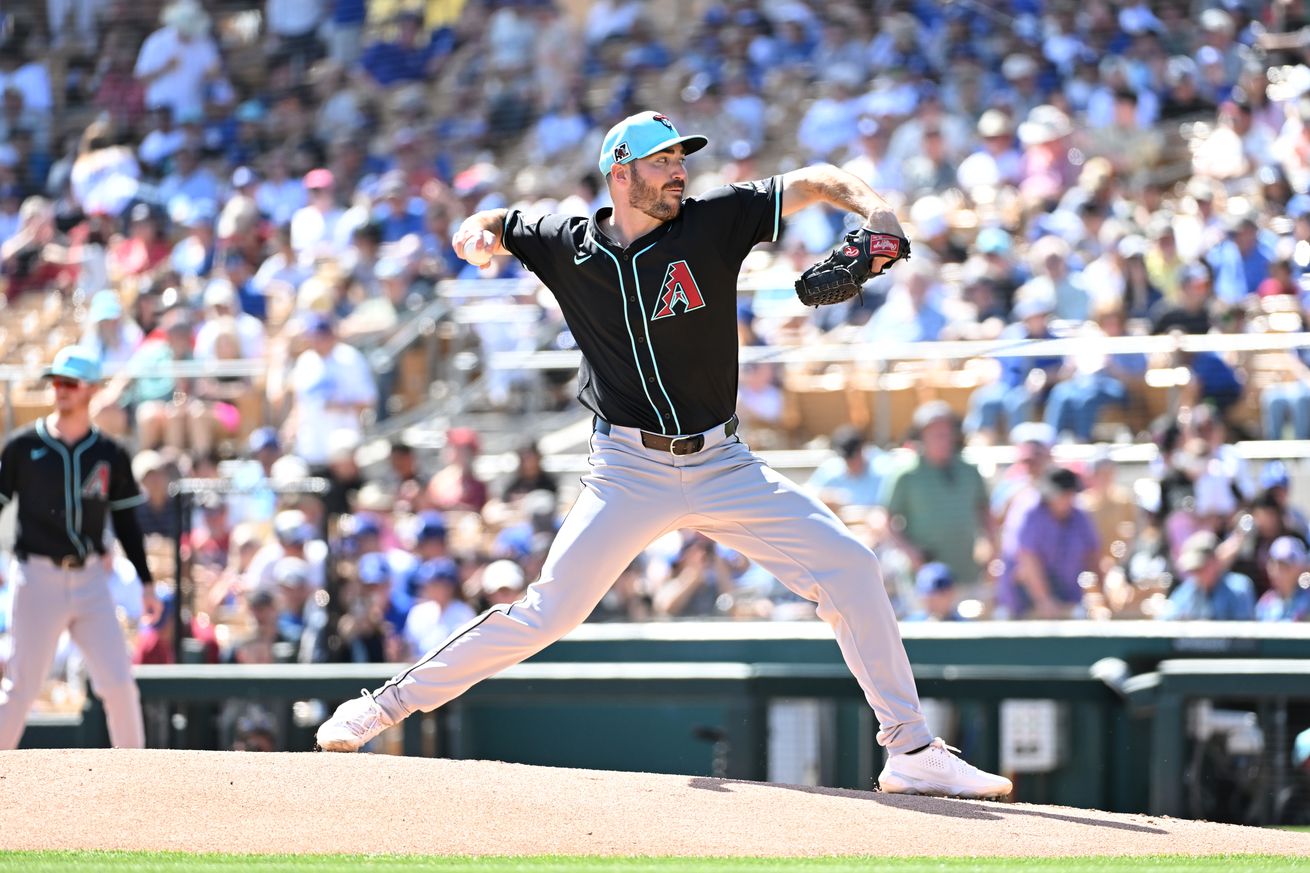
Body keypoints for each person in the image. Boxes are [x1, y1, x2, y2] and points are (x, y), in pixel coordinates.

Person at [316, 110, 1011, 799]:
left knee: (853, 568)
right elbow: (503, 224)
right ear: (620, 174)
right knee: (547, 612)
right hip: (628, 468)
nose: (679, 170)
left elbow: (818, 178)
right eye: (662, 161)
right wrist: (479, 228)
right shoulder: (568, 244)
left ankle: (911, 748)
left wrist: (879, 213)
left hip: (723, 463)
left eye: (682, 158)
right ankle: (384, 704)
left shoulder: (714, 222)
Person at [0, 346, 159, 750]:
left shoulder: (110, 453)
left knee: (120, 684)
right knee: (21, 687)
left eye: (70, 383)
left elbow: (125, 522)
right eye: (56, 382)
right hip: (38, 577)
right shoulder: (22, 447)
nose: (61, 390)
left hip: (90, 579)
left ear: (91, 389)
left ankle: (139, 780)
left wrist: (145, 580)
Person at [997, 466, 1101, 619]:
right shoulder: (1028, 512)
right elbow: (1027, 560)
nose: (1069, 498)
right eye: (1064, 494)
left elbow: (1093, 555)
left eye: (1070, 494)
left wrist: (1102, 594)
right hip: (1025, 601)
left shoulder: (1079, 514)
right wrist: (1044, 600)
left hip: (1067, 595)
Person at [1162, 530, 1256, 621]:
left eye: (1201, 568)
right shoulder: (1188, 590)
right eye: (1193, 570)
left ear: (1214, 561)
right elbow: (1167, 616)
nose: (1197, 574)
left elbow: (1243, 631)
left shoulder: (1239, 587)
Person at [1255, 536, 1310, 622]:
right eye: (1274, 565)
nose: (1278, 572)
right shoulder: (1265, 602)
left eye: (1285, 566)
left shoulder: (1307, 599)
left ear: (1300, 568)